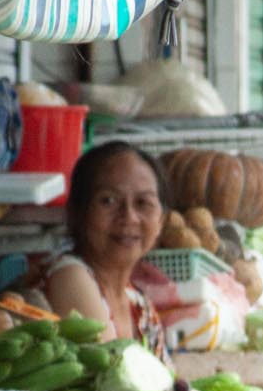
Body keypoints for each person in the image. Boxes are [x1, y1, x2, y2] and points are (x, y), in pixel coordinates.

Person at [39, 142, 169, 355]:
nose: (129, 217)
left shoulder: (138, 304)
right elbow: (114, 378)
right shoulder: (70, 276)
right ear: (78, 213)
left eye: (143, 202)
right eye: (108, 201)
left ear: (161, 220)